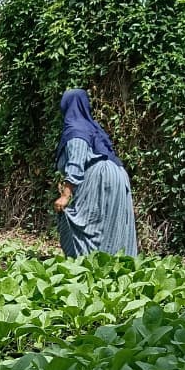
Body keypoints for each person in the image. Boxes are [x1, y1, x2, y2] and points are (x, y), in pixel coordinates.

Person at [54, 88, 138, 257]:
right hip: (118, 174)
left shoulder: (76, 130)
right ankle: (117, 262)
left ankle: (89, 262)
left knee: (86, 224)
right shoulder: (92, 127)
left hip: (99, 177)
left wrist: (65, 195)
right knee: (111, 225)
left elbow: (76, 162)